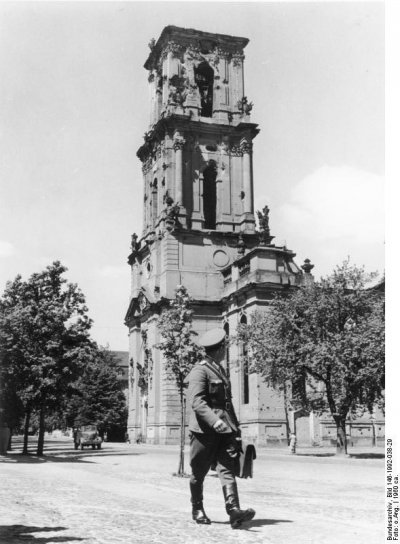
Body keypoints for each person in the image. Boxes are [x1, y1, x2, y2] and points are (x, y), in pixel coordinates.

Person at [186, 328, 255, 529]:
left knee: (227, 469)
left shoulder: (221, 370)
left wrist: (235, 427)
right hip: (204, 431)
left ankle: (234, 511)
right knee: (198, 471)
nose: (226, 350)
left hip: (225, 429)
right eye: (225, 346)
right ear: (219, 349)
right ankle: (197, 508)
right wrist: (215, 422)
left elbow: (227, 403)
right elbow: (197, 403)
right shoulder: (199, 370)